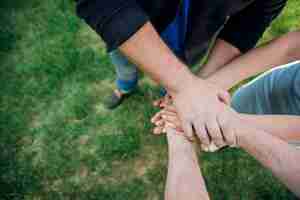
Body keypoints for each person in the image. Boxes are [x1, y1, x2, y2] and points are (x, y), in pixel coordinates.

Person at [75, 0, 287, 149]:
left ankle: (169, 98)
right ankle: (125, 87)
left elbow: (250, 23)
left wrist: (198, 86)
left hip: (190, 44)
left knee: (176, 86)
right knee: (125, 68)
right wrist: (185, 87)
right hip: (128, 34)